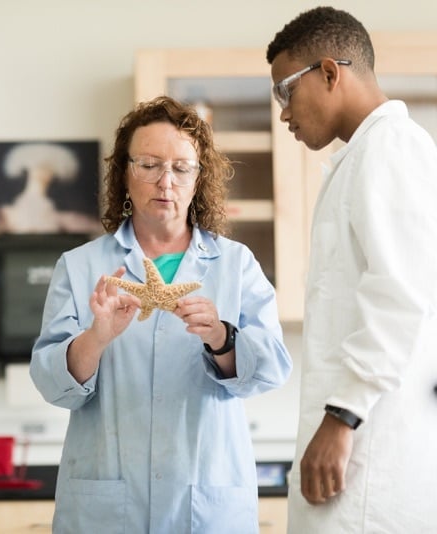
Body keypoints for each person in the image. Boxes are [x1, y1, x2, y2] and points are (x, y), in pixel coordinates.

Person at [29, 95, 292, 533]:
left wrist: (222, 337)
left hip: (205, 502)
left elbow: (270, 369)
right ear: (125, 174)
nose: (164, 181)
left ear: (197, 178)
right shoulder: (79, 267)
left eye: (180, 167)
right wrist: (96, 337)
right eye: (148, 164)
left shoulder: (235, 264)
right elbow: (50, 382)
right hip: (107, 508)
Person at [266, 7, 437, 533]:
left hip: (367, 457)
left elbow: (401, 295)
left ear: (330, 72)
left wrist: (342, 418)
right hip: (356, 454)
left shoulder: (391, 148)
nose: (283, 115)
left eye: (284, 92)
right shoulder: (363, 157)